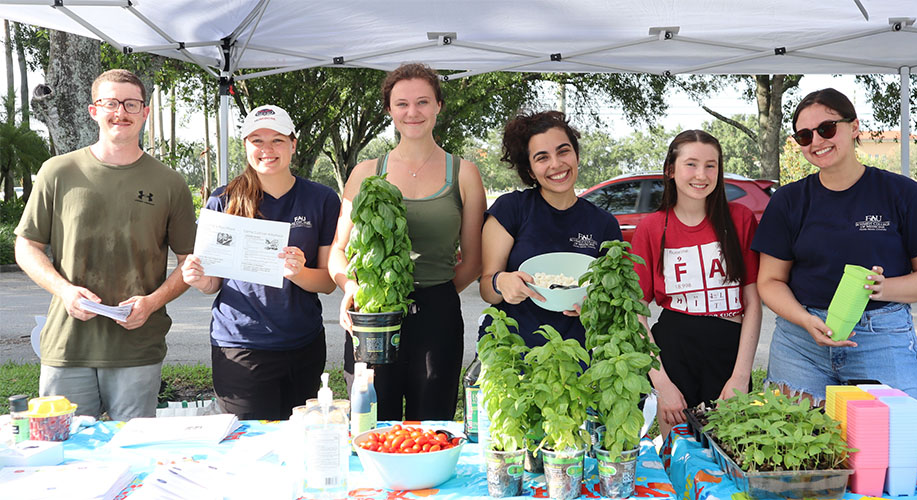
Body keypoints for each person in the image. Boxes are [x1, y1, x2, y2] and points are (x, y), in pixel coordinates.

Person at [14, 69, 196, 421]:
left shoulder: (170, 183)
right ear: (93, 110)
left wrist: (152, 302)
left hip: (137, 347)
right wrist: (65, 291)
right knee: (63, 451)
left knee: (132, 456)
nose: (121, 112)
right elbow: (27, 246)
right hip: (68, 345)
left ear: (145, 112)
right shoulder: (57, 172)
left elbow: (190, 262)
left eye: (131, 104)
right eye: (110, 102)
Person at [752, 88, 917, 403]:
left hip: (880, 336)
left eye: (826, 129)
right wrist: (805, 320)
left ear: (854, 126)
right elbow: (770, 281)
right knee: (795, 443)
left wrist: (882, 287)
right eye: (804, 136)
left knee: (889, 442)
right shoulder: (788, 201)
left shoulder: (903, 194)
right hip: (800, 343)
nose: (816, 141)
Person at [328, 63, 486, 421]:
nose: (412, 112)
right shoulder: (366, 172)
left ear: (438, 106)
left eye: (423, 102)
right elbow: (338, 250)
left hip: (437, 318)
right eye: (402, 104)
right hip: (373, 314)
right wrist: (351, 286)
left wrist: (433, 295)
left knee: (431, 427)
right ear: (389, 110)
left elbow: (474, 261)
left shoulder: (463, 173)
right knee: (371, 424)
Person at [180, 105, 340, 421]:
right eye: (257, 140)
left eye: (277, 140)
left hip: (303, 344)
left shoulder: (321, 199)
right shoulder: (222, 200)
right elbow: (212, 283)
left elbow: (328, 282)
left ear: (293, 144)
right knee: (249, 446)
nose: (267, 150)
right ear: (245, 146)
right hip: (239, 346)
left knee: (298, 442)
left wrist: (299, 272)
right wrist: (198, 278)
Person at [629, 130, 761, 437]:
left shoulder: (739, 219)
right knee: (677, 456)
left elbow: (753, 303)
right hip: (674, 351)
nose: (701, 174)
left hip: (729, 351)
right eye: (691, 164)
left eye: (710, 165)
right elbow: (636, 314)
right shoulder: (651, 228)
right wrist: (661, 384)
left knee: (733, 457)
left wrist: (741, 376)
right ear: (671, 170)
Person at [479, 111, 621, 348]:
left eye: (563, 151)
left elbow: (613, 296)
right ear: (531, 170)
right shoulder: (511, 209)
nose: (556, 164)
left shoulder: (603, 223)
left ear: (576, 155)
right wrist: (501, 282)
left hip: (578, 353)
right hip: (513, 349)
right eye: (542, 157)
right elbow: (487, 287)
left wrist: (597, 305)